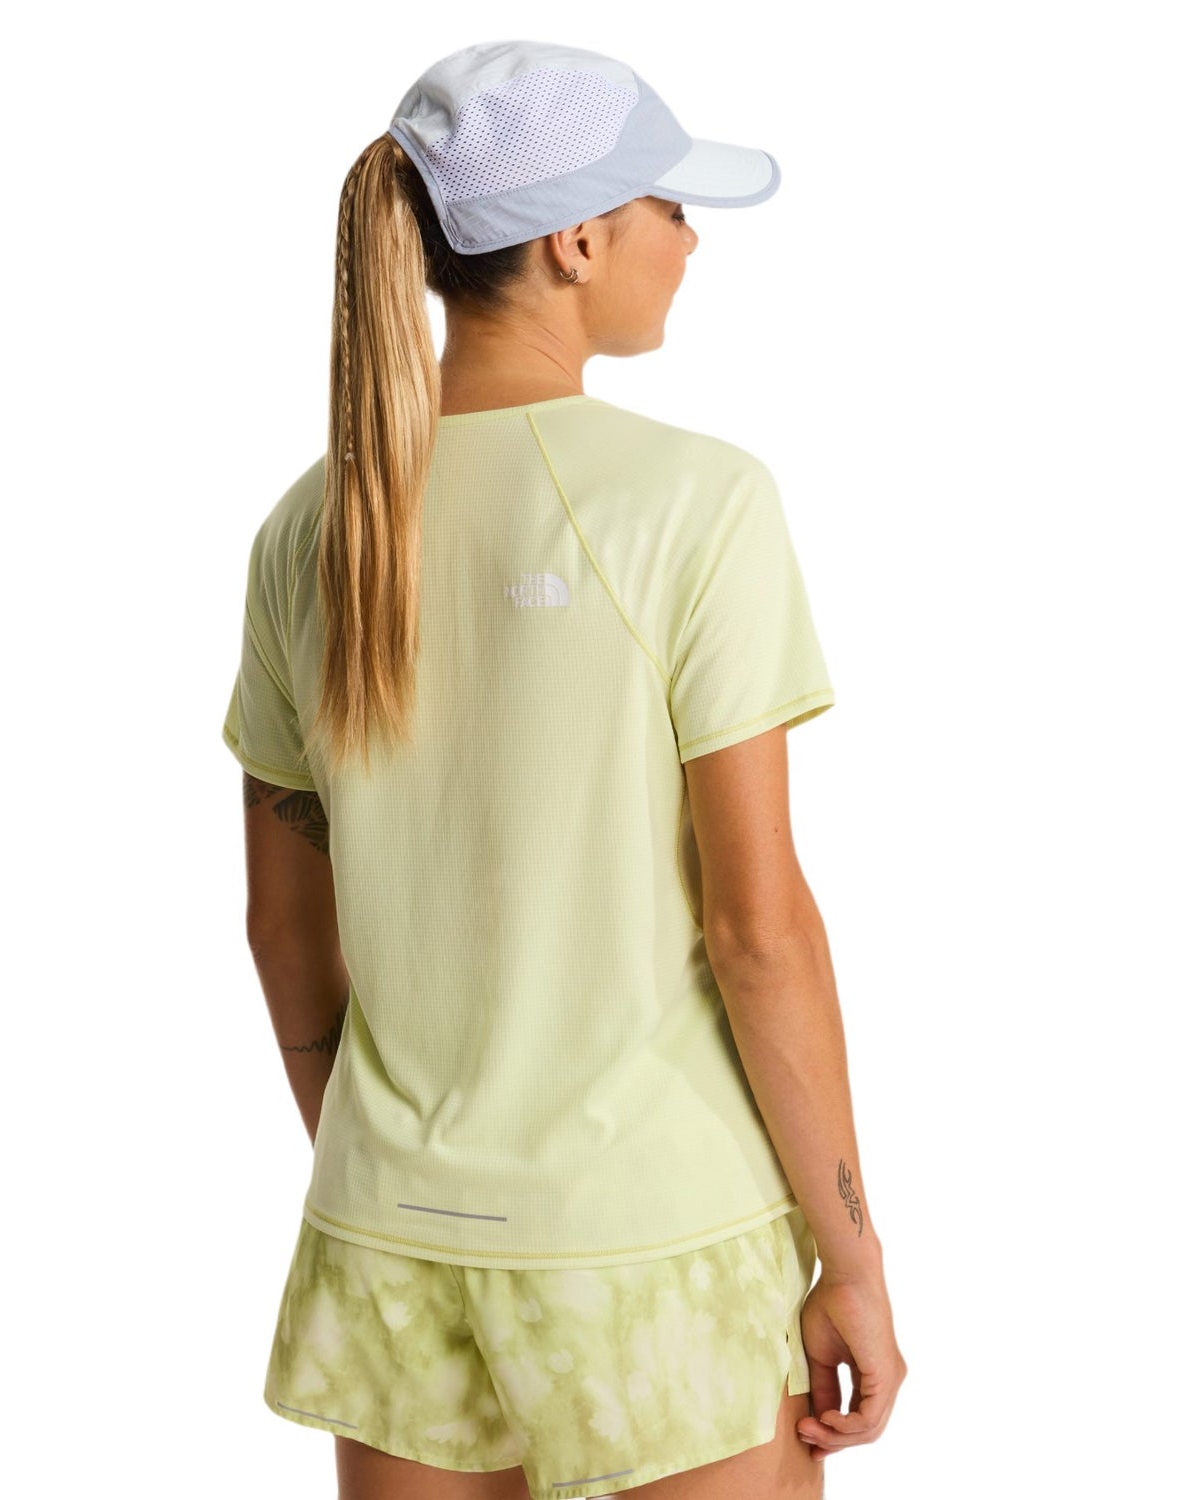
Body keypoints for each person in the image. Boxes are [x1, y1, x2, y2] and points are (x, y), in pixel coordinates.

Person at [221, 39, 906, 1500]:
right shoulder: (697, 503)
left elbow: (284, 926)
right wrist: (854, 1258)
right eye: (670, 206)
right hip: (655, 1240)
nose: (690, 240)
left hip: (393, 1245)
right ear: (577, 240)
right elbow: (760, 931)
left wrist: (392, 1176)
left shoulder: (311, 527)